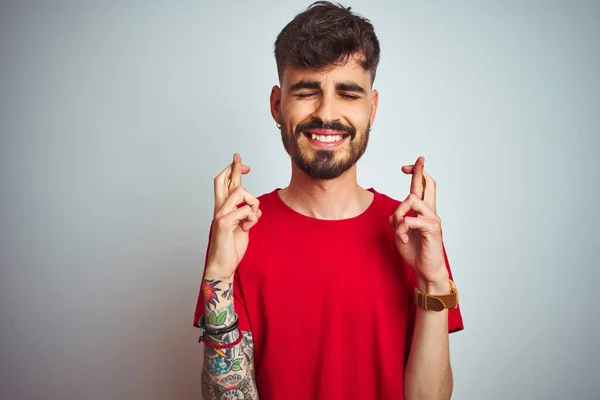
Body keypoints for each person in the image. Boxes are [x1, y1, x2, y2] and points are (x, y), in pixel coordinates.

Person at [193, 2, 464, 399]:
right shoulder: (239, 233)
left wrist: (434, 280)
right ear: (276, 104)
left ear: (371, 109)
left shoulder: (411, 233)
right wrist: (218, 275)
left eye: (348, 94)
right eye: (306, 91)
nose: (327, 114)